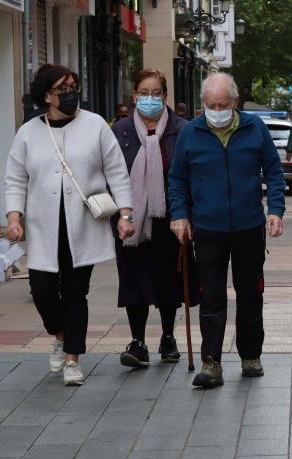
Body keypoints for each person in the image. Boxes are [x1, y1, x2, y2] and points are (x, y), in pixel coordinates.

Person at [5, 64, 134, 386]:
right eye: (62, 89)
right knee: (43, 291)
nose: (70, 95)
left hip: (83, 225)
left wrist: (126, 216)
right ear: (46, 95)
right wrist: (13, 218)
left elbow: (117, 171)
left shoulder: (95, 126)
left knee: (76, 292)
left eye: (74, 87)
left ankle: (73, 359)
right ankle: (60, 335)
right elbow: (15, 179)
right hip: (43, 226)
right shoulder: (29, 132)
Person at [169, 73, 286, 388]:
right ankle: (211, 362)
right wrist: (179, 215)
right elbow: (177, 179)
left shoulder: (254, 128)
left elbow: (274, 172)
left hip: (248, 226)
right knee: (211, 296)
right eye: (210, 105)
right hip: (207, 228)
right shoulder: (191, 133)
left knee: (250, 293)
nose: (216, 110)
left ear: (234, 102)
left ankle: (250, 355)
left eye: (222, 104)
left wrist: (275, 210)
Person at [111, 69, 199, 368]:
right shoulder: (119, 131)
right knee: (134, 280)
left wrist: (187, 215)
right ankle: (137, 342)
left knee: (169, 280)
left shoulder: (183, 129)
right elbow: (110, 173)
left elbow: (190, 175)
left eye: (156, 93)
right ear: (134, 95)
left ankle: (168, 336)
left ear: (165, 96)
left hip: (170, 220)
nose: (150, 98)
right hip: (130, 220)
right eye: (144, 93)